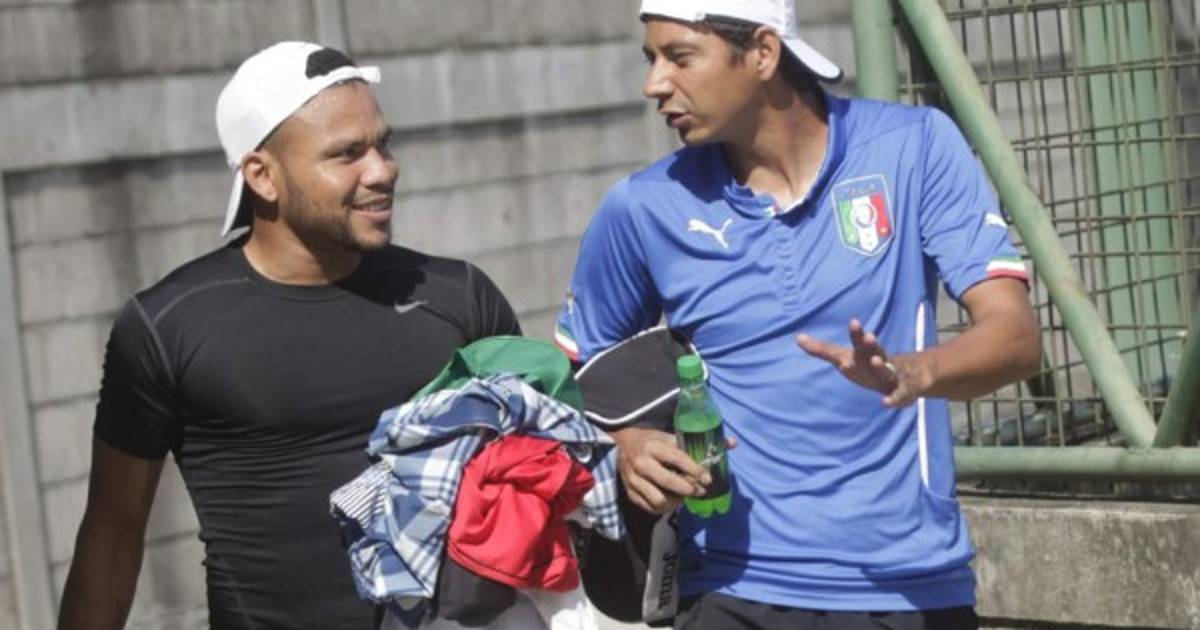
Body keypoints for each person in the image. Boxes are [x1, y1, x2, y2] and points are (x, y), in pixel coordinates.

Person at [553, 1, 1042, 628]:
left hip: (908, 587)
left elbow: (1016, 338)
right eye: (651, 59)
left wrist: (913, 373)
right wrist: (628, 442)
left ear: (763, 52)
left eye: (679, 57)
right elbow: (568, 378)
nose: (654, 83)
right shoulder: (642, 206)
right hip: (725, 589)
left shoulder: (915, 146)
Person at [58, 42, 520, 630]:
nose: (382, 170)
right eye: (347, 153)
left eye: (383, 144)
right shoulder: (168, 327)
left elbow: (542, 467)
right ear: (262, 175)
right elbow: (113, 532)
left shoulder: (459, 295)